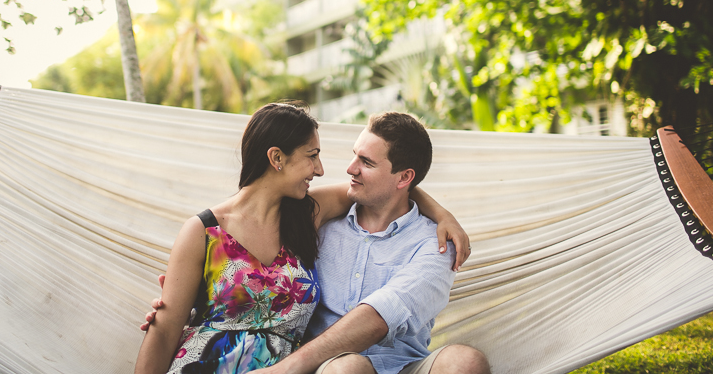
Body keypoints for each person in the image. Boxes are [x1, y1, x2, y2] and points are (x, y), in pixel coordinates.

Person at [134, 103, 467, 374]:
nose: (322, 169)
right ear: (277, 158)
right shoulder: (203, 230)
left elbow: (391, 189)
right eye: (312, 155)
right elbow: (164, 330)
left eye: (318, 156)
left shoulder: (308, 215)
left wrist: (441, 214)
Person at [251, 112, 490, 374]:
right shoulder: (322, 221)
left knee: (465, 362)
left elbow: (378, 317)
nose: (350, 168)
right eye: (355, 155)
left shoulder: (436, 243)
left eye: (366, 162)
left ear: (404, 178)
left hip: (405, 367)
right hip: (326, 368)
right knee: (347, 369)